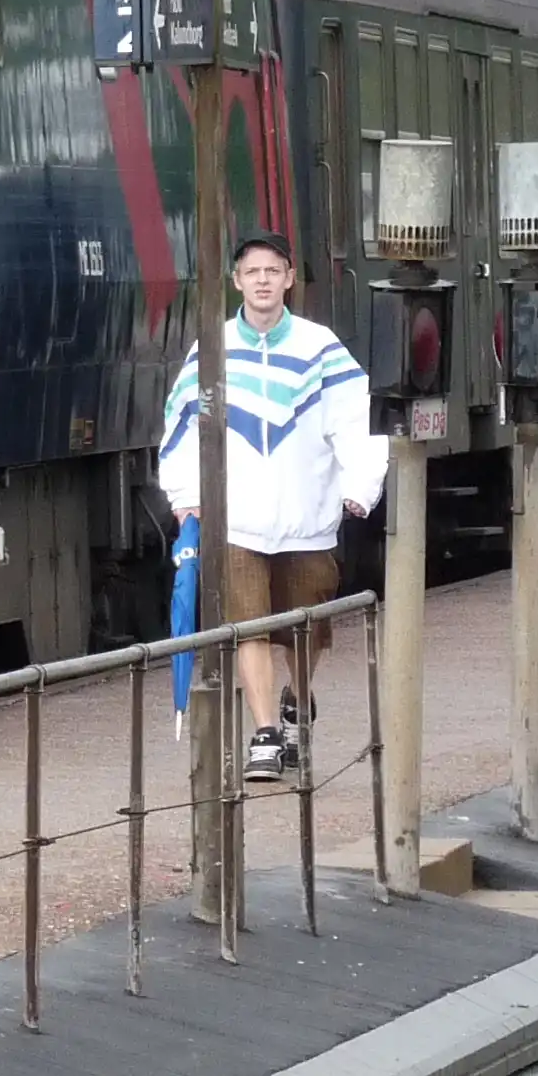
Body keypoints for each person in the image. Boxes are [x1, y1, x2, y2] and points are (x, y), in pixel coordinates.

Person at [155, 232, 390, 778]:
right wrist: (186, 496)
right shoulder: (211, 351)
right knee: (247, 625)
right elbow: (182, 425)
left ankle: (297, 695)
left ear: (289, 279)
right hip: (235, 522)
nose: (262, 280)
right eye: (252, 271)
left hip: (309, 522)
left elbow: (357, 422)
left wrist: (361, 486)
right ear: (236, 281)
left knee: (307, 628)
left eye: (273, 270)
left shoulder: (321, 349)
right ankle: (264, 733)